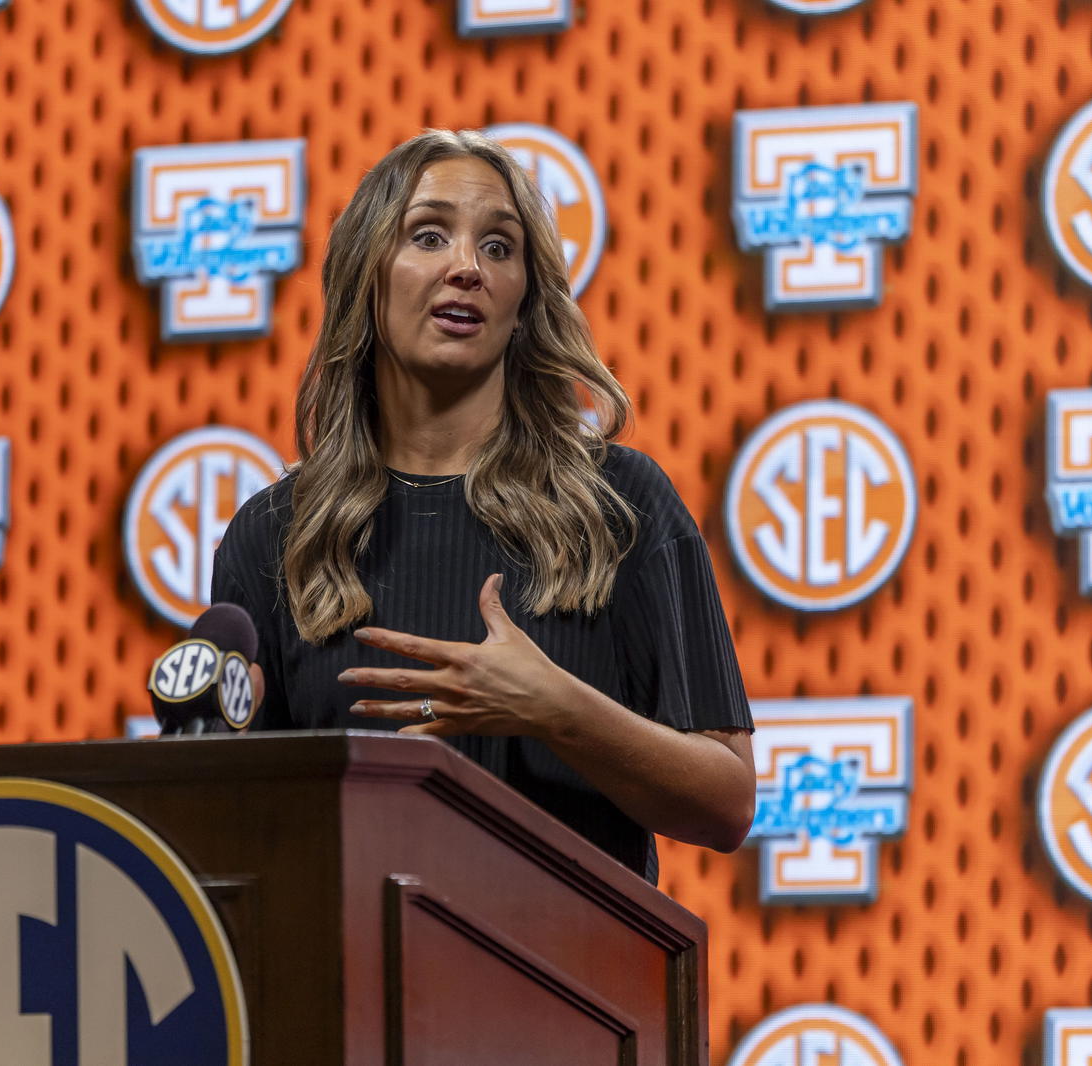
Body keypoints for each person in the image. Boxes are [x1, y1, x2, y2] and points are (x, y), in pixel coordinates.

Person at [211, 129, 754, 882]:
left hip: (567, 985)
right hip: (355, 987)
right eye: (428, 236)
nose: (467, 268)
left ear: (524, 303)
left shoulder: (621, 504)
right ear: (366, 276)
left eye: (499, 248)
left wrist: (555, 709)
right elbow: (241, 836)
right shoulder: (274, 536)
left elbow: (727, 801)